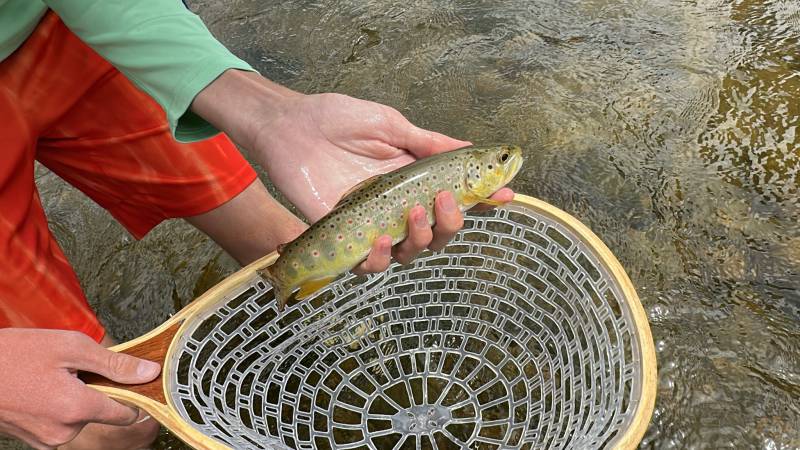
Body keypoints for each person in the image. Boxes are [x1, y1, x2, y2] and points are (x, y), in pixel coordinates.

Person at [0, 2, 514, 449]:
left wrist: (272, 114)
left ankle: (328, 347)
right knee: (115, 424)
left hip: (69, 27)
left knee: (281, 243)